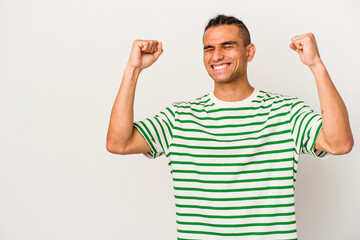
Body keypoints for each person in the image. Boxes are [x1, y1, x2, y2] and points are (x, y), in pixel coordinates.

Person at [106, 14, 353, 240]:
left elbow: (339, 142)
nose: (216, 56)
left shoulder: (285, 112)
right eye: (209, 48)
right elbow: (119, 142)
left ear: (250, 52)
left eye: (228, 46)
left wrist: (316, 65)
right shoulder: (179, 118)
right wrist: (133, 69)